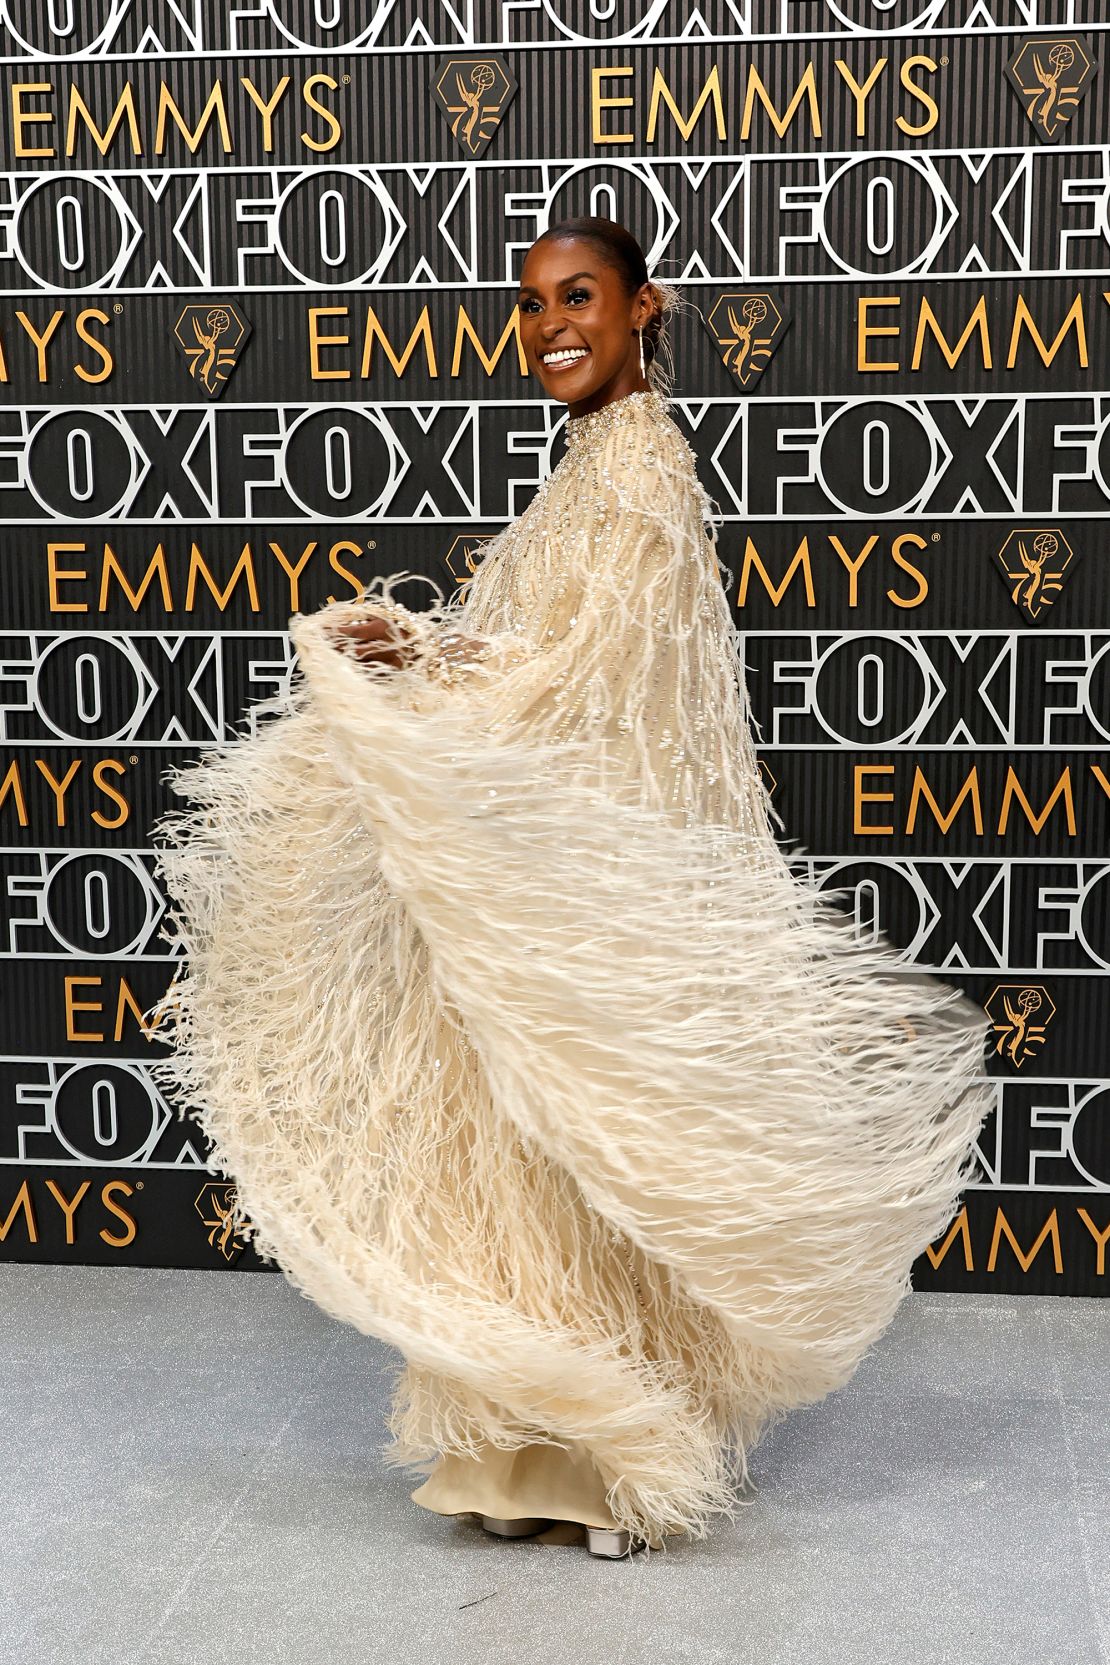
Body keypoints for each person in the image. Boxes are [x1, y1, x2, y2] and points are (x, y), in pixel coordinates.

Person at [147, 216, 993, 1560]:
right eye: (534, 302)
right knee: (543, 1163)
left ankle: (613, 1464)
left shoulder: (642, 472)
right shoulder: (587, 464)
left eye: (579, 296)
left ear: (643, 306)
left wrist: (436, 679)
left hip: (608, 870)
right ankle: (544, 1451)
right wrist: (420, 649)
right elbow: (535, 650)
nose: (551, 325)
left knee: (596, 1154)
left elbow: (594, 680)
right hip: (579, 870)